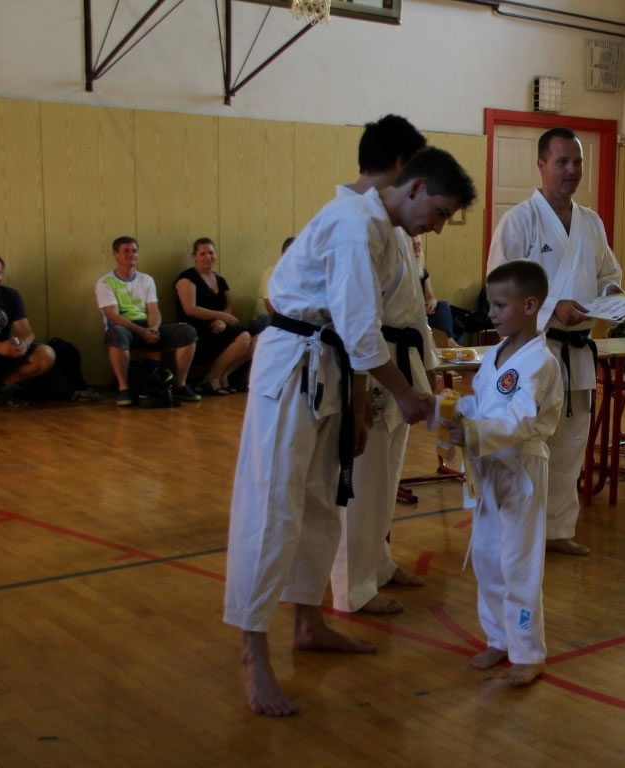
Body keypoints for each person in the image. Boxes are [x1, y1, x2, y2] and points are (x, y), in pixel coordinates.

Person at [223, 145, 477, 717]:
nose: (438, 226)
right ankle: (252, 651)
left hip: (331, 368)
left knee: (322, 504)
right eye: (440, 212)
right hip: (293, 365)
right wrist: (405, 394)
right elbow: (362, 331)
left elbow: (360, 331)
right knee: (272, 506)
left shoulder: (380, 228)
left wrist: (361, 402)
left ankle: (307, 623)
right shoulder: (353, 225)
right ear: (415, 186)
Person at [486, 127, 623, 556]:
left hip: (577, 351)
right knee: (528, 445)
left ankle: (558, 530)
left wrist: (611, 295)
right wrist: (549, 309)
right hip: (534, 353)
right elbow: (498, 290)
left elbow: (608, 274)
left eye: (577, 162)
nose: (571, 170)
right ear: (541, 165)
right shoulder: (519, 221)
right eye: (562, 162)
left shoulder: (591, 222)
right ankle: (516, 532)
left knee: (570, 444)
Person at [329, 115, 439, 616]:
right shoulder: (354, 221)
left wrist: (426, 372)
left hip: (398, 356)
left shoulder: (387, 222)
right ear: (398, 164)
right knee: (363, 478)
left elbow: (411, 308)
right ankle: (352, 586)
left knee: (386, 477)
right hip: (366, 366)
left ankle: (378, 562)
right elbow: (355, 323)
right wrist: (361, 399)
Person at [448, 260, 563, 686]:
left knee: (518, 561)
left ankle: (528, 652)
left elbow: (520, 421)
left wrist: (473, 431)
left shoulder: (540, 362)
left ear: (530, 305)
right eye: (491, 305)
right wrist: (455, 413)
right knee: (487, 557)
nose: (491, 314)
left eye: (500, 305)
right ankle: (499, 637)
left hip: (521, 469)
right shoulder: (496, 354)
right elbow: (482, 404)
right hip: (488, 466)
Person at [96, 237, 201, 405]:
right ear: (116, 255)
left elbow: (154, 309)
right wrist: (141, 332)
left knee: (187, 332)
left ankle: (180, 385)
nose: (132, 254)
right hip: (124, 327)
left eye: (134, 251)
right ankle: (124, 389)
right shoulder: (105, 282)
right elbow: (113, 316)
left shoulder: (146, 279)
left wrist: (154, 328)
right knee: (117, 333)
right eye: (126, 251)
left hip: (147, 326)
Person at [174, 238, 252, 395]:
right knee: (244, 337)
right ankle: (211, 378)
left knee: (256, 341)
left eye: (211, 253)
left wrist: (222, 319)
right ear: (194, 256)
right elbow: (190, 309)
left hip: (219, 327)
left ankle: (224, 376)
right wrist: (219, 315)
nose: (208, 257)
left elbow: (228, 306)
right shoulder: (187, 278)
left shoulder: (220, 280)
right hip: (197, 329)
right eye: (203, 254)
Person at [0, 252, 56, 405]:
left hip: (5, 351)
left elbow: (27, 332)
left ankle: (6, 385)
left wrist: (23, 344)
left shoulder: (11, 295)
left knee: (46, 355)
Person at [414, 235, 461, 346]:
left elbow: (431, 297)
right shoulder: (402, 272)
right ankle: (450, 342)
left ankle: (449, 340)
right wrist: (420, 309)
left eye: (419, 244)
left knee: (443, 305)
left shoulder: (423, 272)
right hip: (411, 315)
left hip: (425, 314)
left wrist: (432, 302)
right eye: (413, 244)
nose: (417, 247)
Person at [248, 236, 295, 337]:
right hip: (265, 318)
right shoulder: (272, 273)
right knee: (283, 330)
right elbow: (270, 308)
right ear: (283, 255)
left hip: (290, 320)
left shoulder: (302, 276)